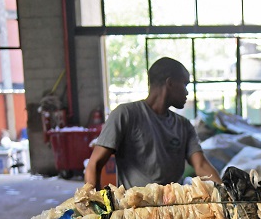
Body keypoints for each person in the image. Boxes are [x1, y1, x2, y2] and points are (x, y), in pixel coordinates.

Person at [84, 57, 221, 189]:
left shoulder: (183, 125)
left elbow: (201, 165)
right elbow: (94, 164)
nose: (186, 92)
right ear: (170, 83)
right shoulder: (126, 115)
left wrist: (226, 195)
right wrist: (97, 206)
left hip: (173, 208)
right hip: (134, 209)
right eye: (184, 84)